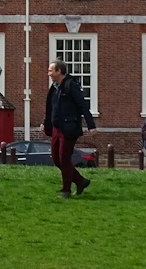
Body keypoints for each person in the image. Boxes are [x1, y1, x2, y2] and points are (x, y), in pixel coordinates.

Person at [43, 59, 96, 197]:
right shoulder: (54, 88)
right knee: (56, 159)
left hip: (69, 128)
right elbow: (50, 108)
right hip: (56, 127)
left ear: (59, 71)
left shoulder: (70, 85)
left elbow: (82, 105)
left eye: (50, 70)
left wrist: (91, 125)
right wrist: (45, 123)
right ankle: (80, 181)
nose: (48, 73)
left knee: (64, 159)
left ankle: (66, 190)